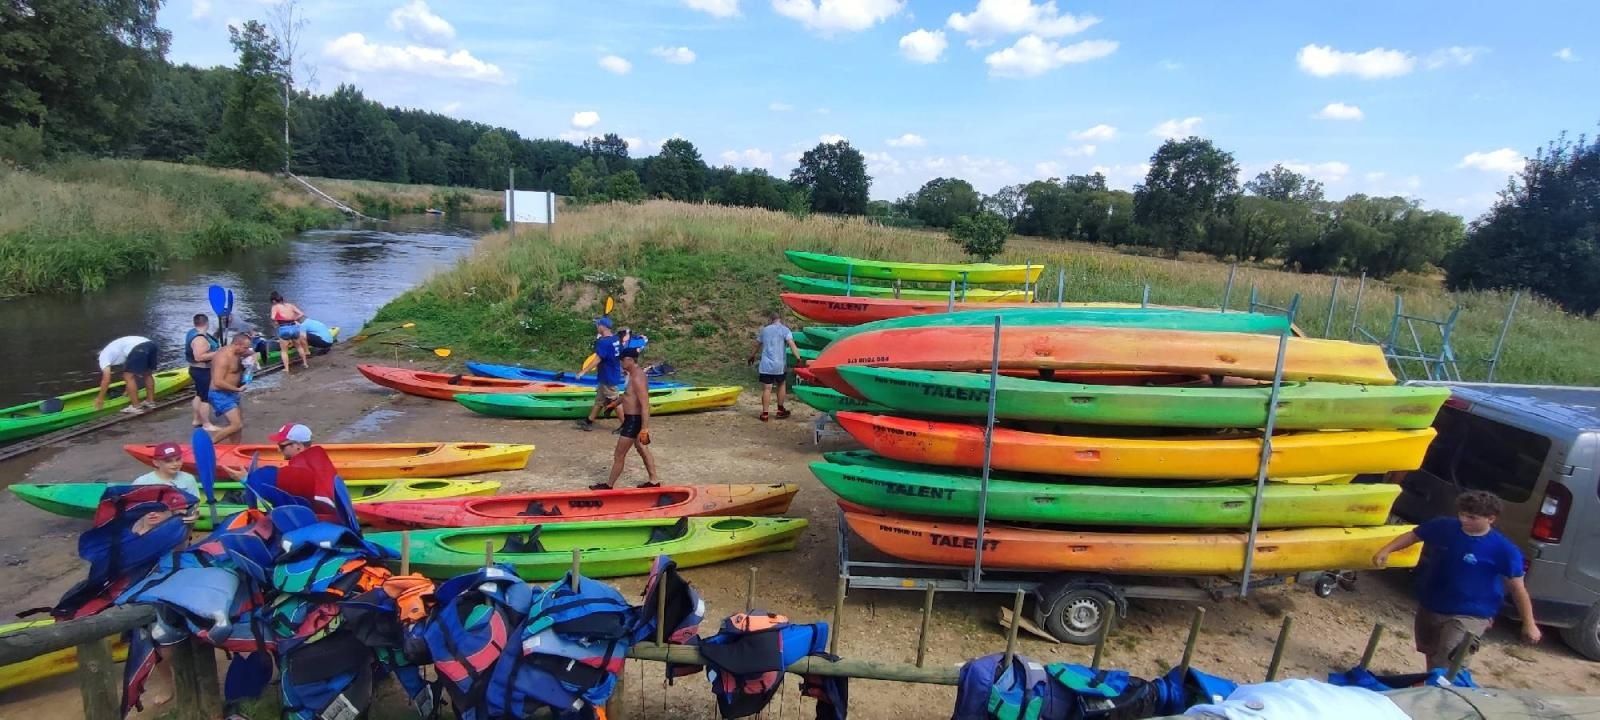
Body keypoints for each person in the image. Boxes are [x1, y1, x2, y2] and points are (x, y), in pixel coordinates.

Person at [1373, 490, 1541, 671]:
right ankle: (1431, 686)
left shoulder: (1504, 550)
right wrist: (1387, 550)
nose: (1464, 520)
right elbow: (1415, 535)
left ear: (1490, 519)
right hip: (1432, 603)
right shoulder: (1444, 527)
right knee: (1432, 652)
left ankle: (1443, 690)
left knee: (1451, 658)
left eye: (1472, 517)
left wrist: (1529, 623)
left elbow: (1517, 589)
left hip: (1470, 613)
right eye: (1462, 514)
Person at [592, 348, 659, 490]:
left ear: (629, 360)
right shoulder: (632, 375)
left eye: (622, 360)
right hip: (632, 420)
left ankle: (608, 485)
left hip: (633, 421)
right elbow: (628, 395)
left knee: (619, 454)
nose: (620, 363)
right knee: (642, 449)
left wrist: (645, 428)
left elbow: (645, 404)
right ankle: (654, 481)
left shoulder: (638, 378)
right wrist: (613, 404)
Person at [747, 310, 803, 422]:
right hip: (779, 365)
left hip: (766, 365)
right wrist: (798, 358)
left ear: (770, 319)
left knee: (767, 388)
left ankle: (765, 414)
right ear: (780, 319)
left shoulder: (764, 330)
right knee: (781, 384)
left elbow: (757, 345)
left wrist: (751, 356)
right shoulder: (785, 330)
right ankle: (780, 410)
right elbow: (792, 344)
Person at [575, 317, 625, 431]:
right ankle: (589, 421)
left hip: (608, 376)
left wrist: (583, 372)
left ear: (603, 326)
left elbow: (597, 359)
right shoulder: (616, 339)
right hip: (610, 374)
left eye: (598, 325)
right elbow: (620, 355)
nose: (596, 327)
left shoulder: (603, 342)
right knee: (600, 400)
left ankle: (626, 425)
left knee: (614, 400)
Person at [133, 442, 201, 524]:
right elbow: (133, 508)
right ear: (156, 463)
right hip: (151, 524)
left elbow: (195, 504)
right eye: (168, 461)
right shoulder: (142, 482)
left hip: (179, 522)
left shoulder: (188, 479)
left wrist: (195, 514)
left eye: (178, 459)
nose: (175, 464)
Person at [93, 335, 160, 413]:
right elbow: (130, 368)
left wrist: (100, 398)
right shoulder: (113, 351)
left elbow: (106, 380)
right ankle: (150, 402)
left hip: (138, 347)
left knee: (128, 377)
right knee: (147, 374)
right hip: (151, 344)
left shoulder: (103, 357)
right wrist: (127, 390)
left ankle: (136, 407)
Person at [206, 333, 252, 443]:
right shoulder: (223, 357)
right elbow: (218, 382)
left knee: (238, 426)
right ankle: (210, 444)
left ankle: (234, 449)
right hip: (219, 394)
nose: (246, 350)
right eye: (245, 348)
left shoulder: (237, 352)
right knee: (236, 425)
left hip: (231, 393)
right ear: (237, 344)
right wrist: (237, 389)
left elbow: (252, 352)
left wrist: (252, 360)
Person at [185, 314, 221, 429]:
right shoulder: (200, 338)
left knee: (199, 395)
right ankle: (206, 424)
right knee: (206, 397)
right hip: (202, 371)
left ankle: (196, 419)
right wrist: (218, 353)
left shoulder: (192, 332)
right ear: (207, 323)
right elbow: (199, 357)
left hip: (196, 370)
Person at [269, 291, 311, 373]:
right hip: (294, 327)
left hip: (284, 328)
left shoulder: (275, 307)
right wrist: (294, 319)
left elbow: (273, 318)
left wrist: (276, 323)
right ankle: (305, 363)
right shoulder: (290, 305)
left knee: (284, 351)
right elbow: (301, 314)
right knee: (299, 346)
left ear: (274, 301)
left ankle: (286, 368)